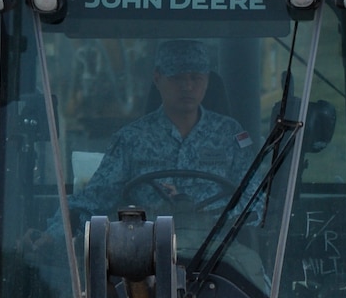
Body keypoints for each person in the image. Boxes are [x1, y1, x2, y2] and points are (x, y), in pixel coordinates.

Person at [70, 39, 257, 230]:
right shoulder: (131, 139)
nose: (188, 86)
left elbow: (254, 200)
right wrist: (56, 235)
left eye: (195, 77)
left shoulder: (230, 135)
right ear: (157, 78)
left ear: (207, 80)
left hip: (221, 249)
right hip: (144, 249)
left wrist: (215, 219)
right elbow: (93, 201)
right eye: (177, 78)